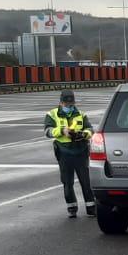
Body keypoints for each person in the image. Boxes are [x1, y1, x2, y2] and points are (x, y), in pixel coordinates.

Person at [44, 90, 94, 219]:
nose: (69, 106)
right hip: (64, 151)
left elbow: (90, 129)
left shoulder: (81, 114)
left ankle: (91, 208)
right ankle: (72, 208)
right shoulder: (52, 114)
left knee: (86, 181)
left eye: (71, 104)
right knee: (67, 182)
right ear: (60, 103)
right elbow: (47, 131)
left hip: (80, 150)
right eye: (66, 104)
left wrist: (83, 134)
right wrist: (62, 131)